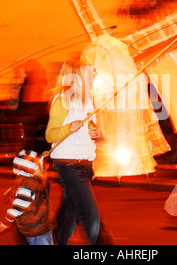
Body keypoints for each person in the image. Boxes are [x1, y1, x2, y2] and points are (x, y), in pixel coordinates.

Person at [45, 58, 102, 245]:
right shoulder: (62, 101)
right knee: (91, 214)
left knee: (71, 213)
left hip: (85, 163)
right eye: (88, 73)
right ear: (77, 76)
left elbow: (88, 131)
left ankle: (55, 242)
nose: (92, 76)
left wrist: (96, 133)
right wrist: (67, 128)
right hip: (68, 164)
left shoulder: (87, 101)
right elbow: (50, 135)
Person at [0, 150, 55, 245]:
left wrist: (42, 157)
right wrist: (5, 223)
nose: (42, 168)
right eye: (39, 167)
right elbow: (17, 207)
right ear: (30, 170)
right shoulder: (28, 187)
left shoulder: (33, 179)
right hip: (35, 230)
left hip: (41, 226)